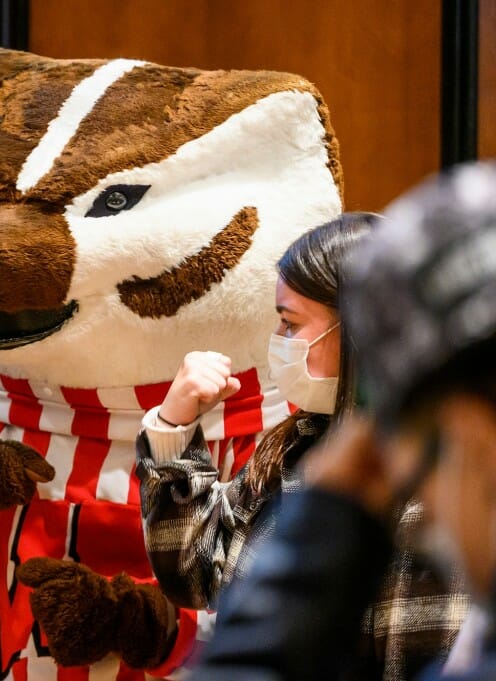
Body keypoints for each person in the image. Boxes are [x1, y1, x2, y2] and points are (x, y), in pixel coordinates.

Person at [187, 161, 496, 680]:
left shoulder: (376, 487)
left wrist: (320, 536)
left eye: (290, 324)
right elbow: (202, 565)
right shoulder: (291, 447)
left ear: (470, 436)